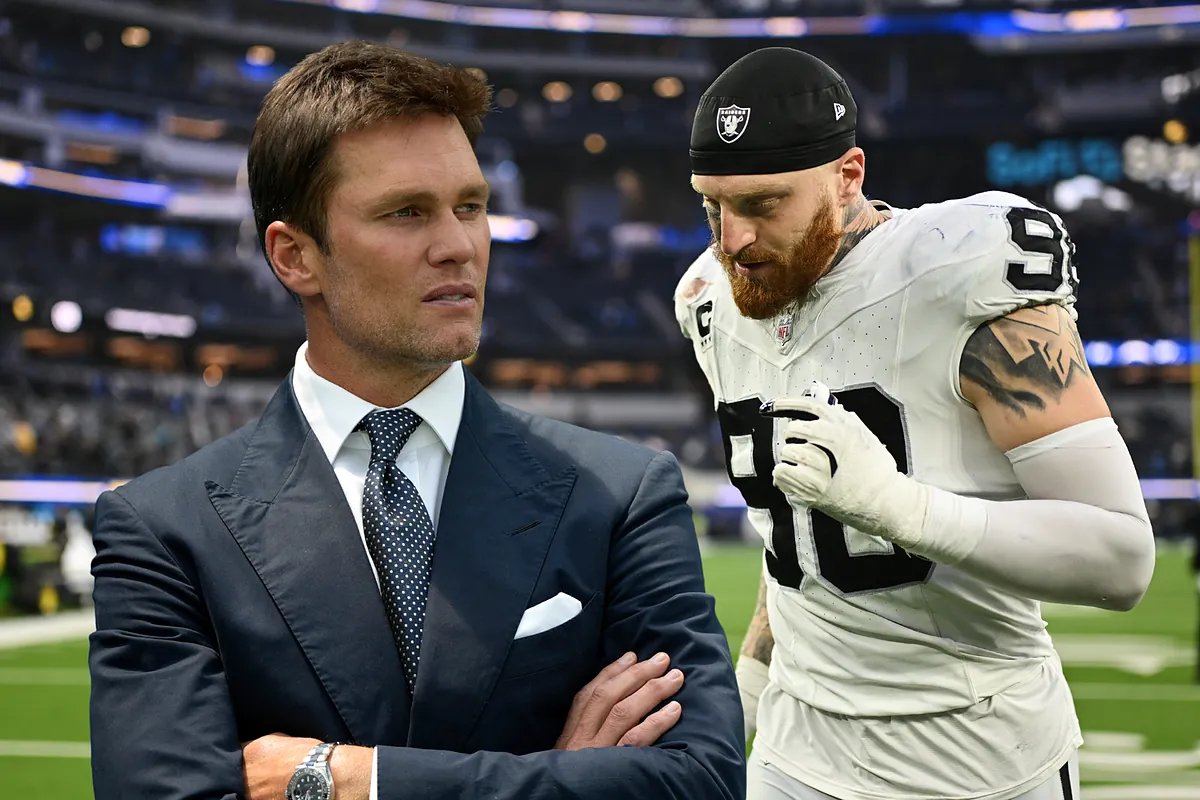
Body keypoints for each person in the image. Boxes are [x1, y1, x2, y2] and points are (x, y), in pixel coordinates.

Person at [89, 41, 745, 800]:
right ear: (295, 256)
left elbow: (702, 781)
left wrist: (350, 780)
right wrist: (563, 780)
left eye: (471, 207)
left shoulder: (622, 494)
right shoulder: (163, 531)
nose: (458, 245)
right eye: (406, 213)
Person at [675, 47, 1156, 800]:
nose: (732, 239)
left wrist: (898, 506)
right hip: (797, 754)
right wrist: (744, 695)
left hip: (981, 757)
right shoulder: (708, 299)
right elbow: (791, 539)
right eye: (713, 206)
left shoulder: (958, 271)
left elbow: (1120, 559)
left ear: (848, 175)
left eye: (764, 205)